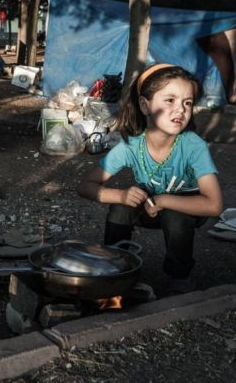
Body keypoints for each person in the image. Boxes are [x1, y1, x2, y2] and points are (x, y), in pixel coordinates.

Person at [77, 64, 223, 295]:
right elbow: (86, 185)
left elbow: (214, 205)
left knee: (176, 215)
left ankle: (180, 277)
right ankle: (115, 267)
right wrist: (121, 195)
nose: (181, 110)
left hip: (187, 206)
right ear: (145, 105)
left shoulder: (193, 146)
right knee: (120, 208)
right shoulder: (130, 145)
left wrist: (164, 201)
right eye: (170, 100)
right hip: (148, 203)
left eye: (187, 102)